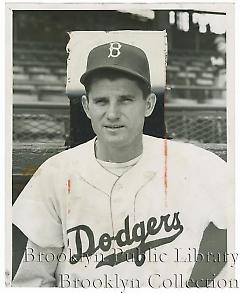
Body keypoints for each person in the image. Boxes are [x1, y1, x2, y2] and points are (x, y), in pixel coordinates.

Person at [12, 41, 232, 288]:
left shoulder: (195, 165)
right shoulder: (55, 174)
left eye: (126, 100)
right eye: (101, 101)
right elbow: (33, 279)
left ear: (148, 104)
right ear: (86, 106)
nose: (113, 113)